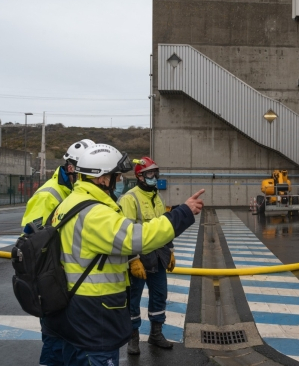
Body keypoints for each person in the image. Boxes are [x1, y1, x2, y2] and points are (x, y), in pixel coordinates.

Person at [42, 144, 204, 366]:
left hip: (74, 306)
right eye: (115, 177)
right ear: (101, 178)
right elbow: (137, 238)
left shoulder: (71, 202)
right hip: (94, 312)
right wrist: (183, 213)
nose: (118, 182)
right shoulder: (95, 213)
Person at [20, 139, 95, 366]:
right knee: (55, 342)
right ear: (72, 167)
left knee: (70, 342)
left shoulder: (76, 191)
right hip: (52, 282)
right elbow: (31, 243)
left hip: (70, 281)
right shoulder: (49, 195)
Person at [117, 156, 174, 355]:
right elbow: (125, 233)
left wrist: (171, 250)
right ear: (140, 177)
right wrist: (132, 260)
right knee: (133, 300)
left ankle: (156, 334)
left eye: (155, 173)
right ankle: (133, 339)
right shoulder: (129, 199)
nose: (154, 176)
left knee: (159, 296)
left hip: (158, 258)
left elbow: (164, 227)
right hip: (139, 260)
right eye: (150, 173)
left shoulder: (157, 197)